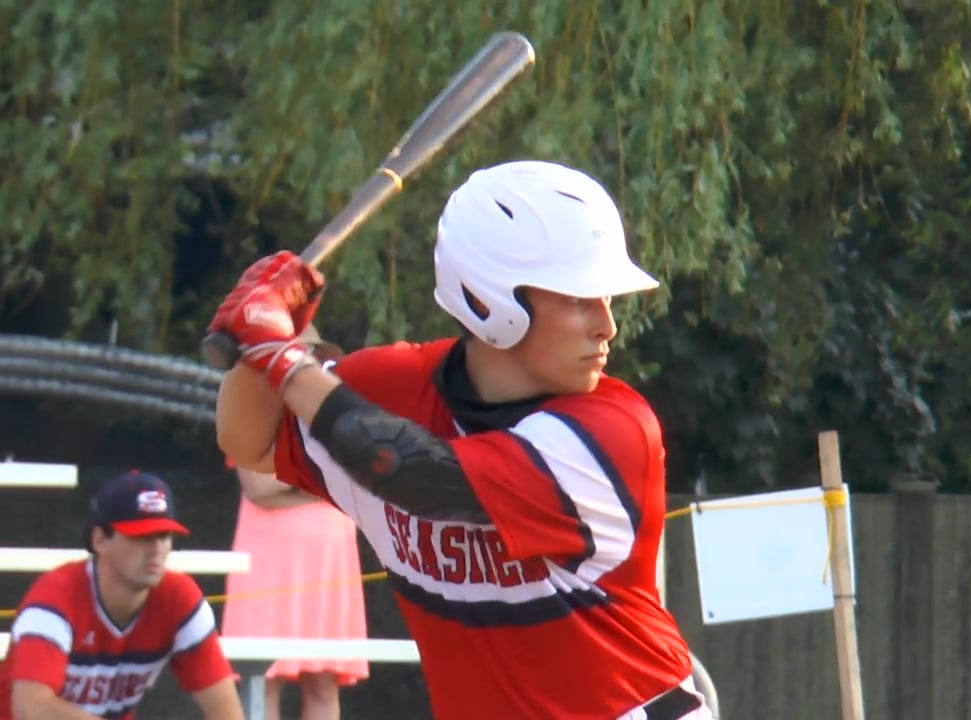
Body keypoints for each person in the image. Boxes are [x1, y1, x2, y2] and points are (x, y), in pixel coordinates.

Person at [212, 160, 709, 719]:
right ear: (492, 300)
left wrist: (282, 356)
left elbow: (418, 474)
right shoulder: (390, 388)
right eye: (576, 299)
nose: (606, 325)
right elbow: (248, 441)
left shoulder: (613, 431)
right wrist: (257, 344)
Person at [0, 470, 243, 720]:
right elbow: (32, 710)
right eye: (142, 536)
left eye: (164, 536)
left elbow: (226, 713)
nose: (156, 549)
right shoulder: (54, 600)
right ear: (99, 539)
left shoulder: (180, 600)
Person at [220, 326, 369, 720]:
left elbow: (360, 477)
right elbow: (257, 486)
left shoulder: (339, 410)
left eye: (303, 353)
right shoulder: (252, 409)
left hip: (329, 557)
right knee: (263, 676)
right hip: (270, 557)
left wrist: (298, 480)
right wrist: (323, 480)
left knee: (324, 679)